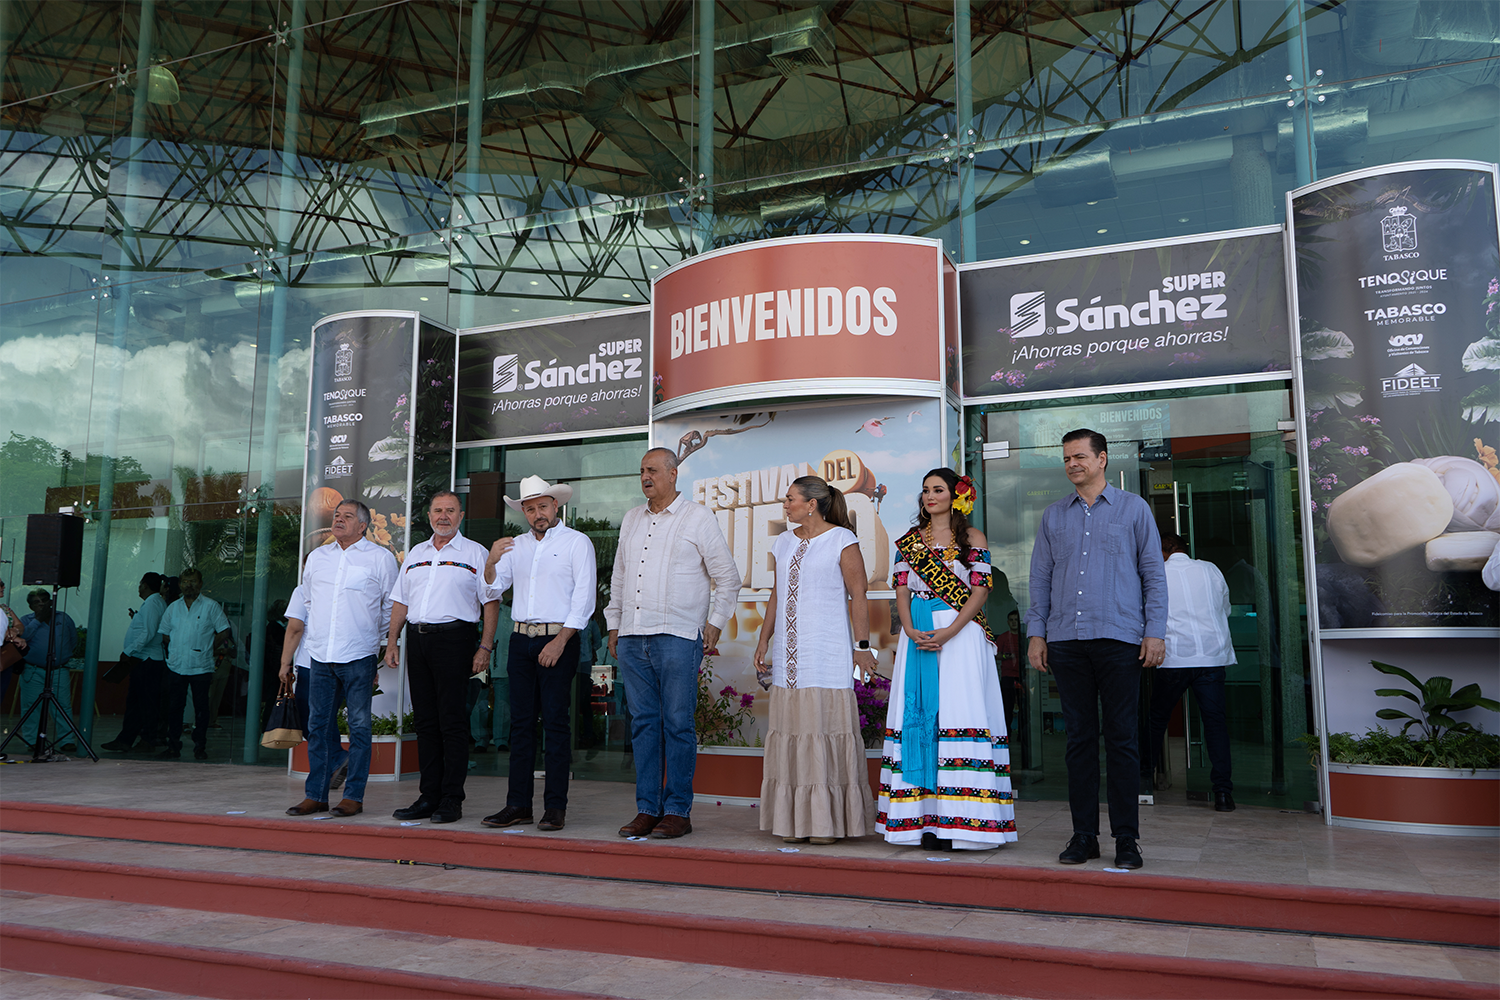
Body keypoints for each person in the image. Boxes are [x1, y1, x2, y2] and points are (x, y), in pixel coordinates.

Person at [1026, 429, 1167, 870]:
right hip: (1066, 641)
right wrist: (1037, 633)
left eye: (1080, 457)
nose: (1072, 464)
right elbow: (1040, 579)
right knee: (1079, 742)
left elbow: (1153, 576)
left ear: (1102, 459)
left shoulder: (1134, 509)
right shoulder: (1053, 516)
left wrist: (1155, 631)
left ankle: (1127, 839)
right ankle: (1084, 836)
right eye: (1067, 458)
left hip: (1119, 638)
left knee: (1122, 739)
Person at [605, 447, 742, 840]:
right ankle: (647, 809)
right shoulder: (632, 519)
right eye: (641, 471)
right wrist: (614, 624)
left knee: (678, 725)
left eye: (652, 470)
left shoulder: (697, 517)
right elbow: (619, 576)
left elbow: (727, 577)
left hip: (678, 636)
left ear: (673, 473)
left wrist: (715, 623)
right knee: (644, 725)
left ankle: (677, 811)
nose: (645, 476)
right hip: (632, 637)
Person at [878, 469, 1016, 851]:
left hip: (961, 634)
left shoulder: (973, 539)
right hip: (919, 633)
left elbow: (981, 591)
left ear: (956, 495)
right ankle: (921, 820)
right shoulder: (909, 542)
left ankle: (962, 823)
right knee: (921, 714)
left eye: (937, 489)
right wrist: (907, 628)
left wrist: (951, 630)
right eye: (924, 490)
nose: (929, 496)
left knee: (957, 714)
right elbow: (901, 591)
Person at [752, 475, 877, 845]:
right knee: (792, 732)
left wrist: (862, 645)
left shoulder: (842, 539)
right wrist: (764, 638)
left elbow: (859, 594)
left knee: (822, 729)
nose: (785, 505)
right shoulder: (784, 541)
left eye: (790, 499)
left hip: (826, 653)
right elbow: (778, 593)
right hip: (789, 656)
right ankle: (794, 822)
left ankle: (825, 824)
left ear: (812, 504)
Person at [479, 476, 597, 832]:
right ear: (524, 513)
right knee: (521, 726)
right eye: (529, 509)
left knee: (557, 725)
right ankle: (518, 805)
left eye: (542, 506)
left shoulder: (578, 543)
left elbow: (585, 599)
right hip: (520, 640)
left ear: (555, 506)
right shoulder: (515, 546)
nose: (537, 514)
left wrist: (560, 641)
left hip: (558, 639)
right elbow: (493, 588)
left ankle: (555, 808)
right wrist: (490, 560)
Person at [387, 491, 499, 824]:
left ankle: (452, 798)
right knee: (425, 722)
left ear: (461, 516)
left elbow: (490, 603)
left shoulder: (476, 553)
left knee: (452, 722)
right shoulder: (416, 554)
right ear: (429, 515)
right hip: (417, 641)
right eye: (438, 510)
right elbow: (401, 601)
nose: (443, 516)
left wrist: (485, 647)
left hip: (455, 640)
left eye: (450, 510)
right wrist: (392, 641)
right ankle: (428, 795)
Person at [284, 500, 398, 818]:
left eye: (347, 516)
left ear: (362, 526)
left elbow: (390, 608)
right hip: (320, 655)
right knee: (318, 726)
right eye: (336, 515)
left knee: (359, 727)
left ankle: (353, 797)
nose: (339, 520)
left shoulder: (381, 558)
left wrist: (375, 642)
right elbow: (308, 600)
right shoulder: (318, 558)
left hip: (359, 654)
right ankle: (316, 795)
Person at [1148, 533, 1236, 812]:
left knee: (1155, 721)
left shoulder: (1156, 573)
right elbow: (1226, 608)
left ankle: (1141, 783)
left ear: (1163, 551)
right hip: (1211, 657)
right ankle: (1223, 793)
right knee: (1215, 725)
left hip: (1173, 658)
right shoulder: (1210, 569)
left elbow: (1147, 614)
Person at [158, 568, 233, 761]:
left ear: (200, 584)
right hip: (176, 665)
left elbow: (224, 631)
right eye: (185, 582)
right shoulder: (173, 607)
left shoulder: (211, 606)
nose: (188, 585)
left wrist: (208, 647)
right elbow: (165, 634)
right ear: (180, 585)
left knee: (202, 708)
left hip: (201, 665)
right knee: (175, 707)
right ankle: (173, 746)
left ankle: (200, 746)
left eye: (192, 581)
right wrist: (177, 648)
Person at [103, 573, 168, 752]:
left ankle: (147, 739)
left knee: (146, 703)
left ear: (144, 585)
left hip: (148, 660)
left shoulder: (153, 603)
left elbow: (149, 633)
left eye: (140, 585)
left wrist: (128, 651)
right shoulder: (151, 604)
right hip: (142, 659)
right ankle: (126, 739)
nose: (138, 588)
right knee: (136, 702)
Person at [15, 589, 79, 749]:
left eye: (44, 600)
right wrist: (38, 620)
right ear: (30, 606)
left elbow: (73, 641)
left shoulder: (63, 618)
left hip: (59, 670)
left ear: (51, 601)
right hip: (33, 670)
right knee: (31, 706)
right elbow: (22, 639)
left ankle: (66, 741)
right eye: (37, 602)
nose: (42, 604)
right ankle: (32, 742)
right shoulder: (25, 621)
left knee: (62, 705)